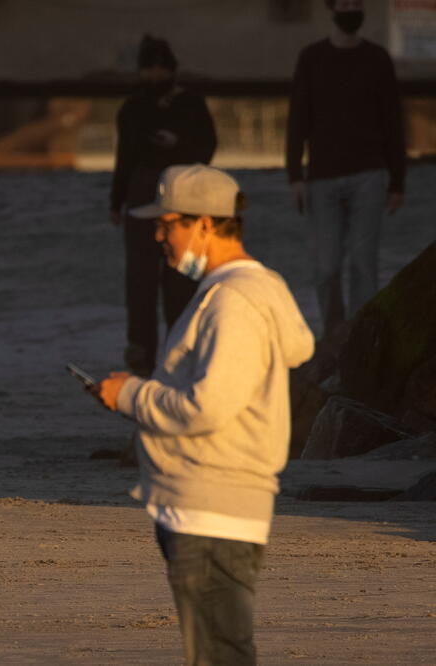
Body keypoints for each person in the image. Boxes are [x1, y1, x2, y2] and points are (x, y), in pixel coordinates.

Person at [96, 165, 314, 664]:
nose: (157, 235)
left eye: (167, 223)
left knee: (220, 655)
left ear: (206, 225)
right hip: (211, 506)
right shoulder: (237, 293)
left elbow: (207, 405)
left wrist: (131, 395)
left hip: (212, 509)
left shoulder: (233, 300)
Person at [286, 0, 406, 337]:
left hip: (369, 173)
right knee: (326, 267)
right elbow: (298, 119)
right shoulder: (312, 58)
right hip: (322, 176)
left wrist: (398, 181)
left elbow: (392, 122)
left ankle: (359, 337)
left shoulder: (377, 59)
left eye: (357, 2)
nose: (352, 8)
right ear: (332, 8)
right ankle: (334, 337)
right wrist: (294, 174)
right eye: (345, 2)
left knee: (363, 264)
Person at [110, 34, 217, 377]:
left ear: (171, 70)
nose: (154, 76)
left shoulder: (191, 105)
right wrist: (117, 200)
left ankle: (181, 349)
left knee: (182, 278)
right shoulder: (133, 108)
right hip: (141, 195)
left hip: (184, 195)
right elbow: (124, 158)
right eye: (149, 69)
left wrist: (178, 144)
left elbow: (206, 149)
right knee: (140, 280)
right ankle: (142, 352)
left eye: (160, 69)